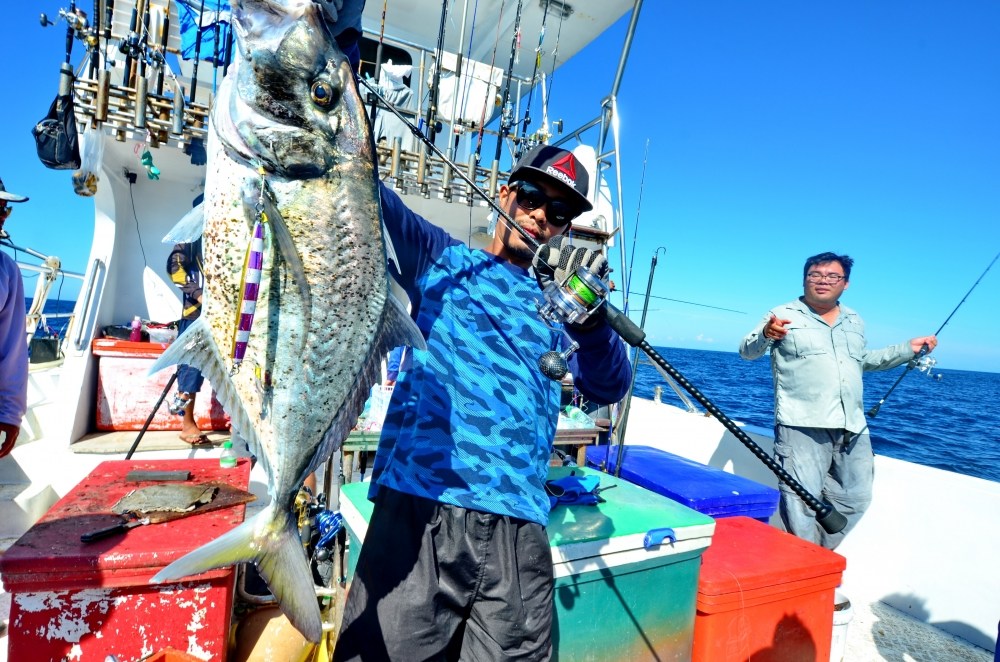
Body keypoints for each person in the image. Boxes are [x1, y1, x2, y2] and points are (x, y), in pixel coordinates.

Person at [334, 144, 632, 662]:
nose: (541, 216)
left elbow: (609, 386)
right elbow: (361, 190)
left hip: (519, 527)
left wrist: (596, 330)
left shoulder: (561, 308)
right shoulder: (441, 259)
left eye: (559, 213)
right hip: (421, 505)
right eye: (534, 198)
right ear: (506, 193)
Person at [739, 252, 937, 549]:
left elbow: (864, 361)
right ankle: (803, 568)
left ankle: (812, 556)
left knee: (855, 497)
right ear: (804, 279)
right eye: (815, 275)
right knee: (800, 502)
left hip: (853, 424)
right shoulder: (781, 313)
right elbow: (747, 351)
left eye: (832, 276)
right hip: (801, 424)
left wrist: (907, 349)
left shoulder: (855, 320)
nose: (822, 281)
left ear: (845, 284)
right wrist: (767, 334)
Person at [166, 239, 210, 444]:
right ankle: (187, 423)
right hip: (196, 315)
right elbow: (174, 267)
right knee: (190, 367)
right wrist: (199, 295)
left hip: (230, 315)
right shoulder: (190, 235)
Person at [0, 178, 29, 460]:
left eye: (4, 208)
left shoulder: (7, 270)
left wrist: (10, 413)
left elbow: (13, 349)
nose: (1, 216)